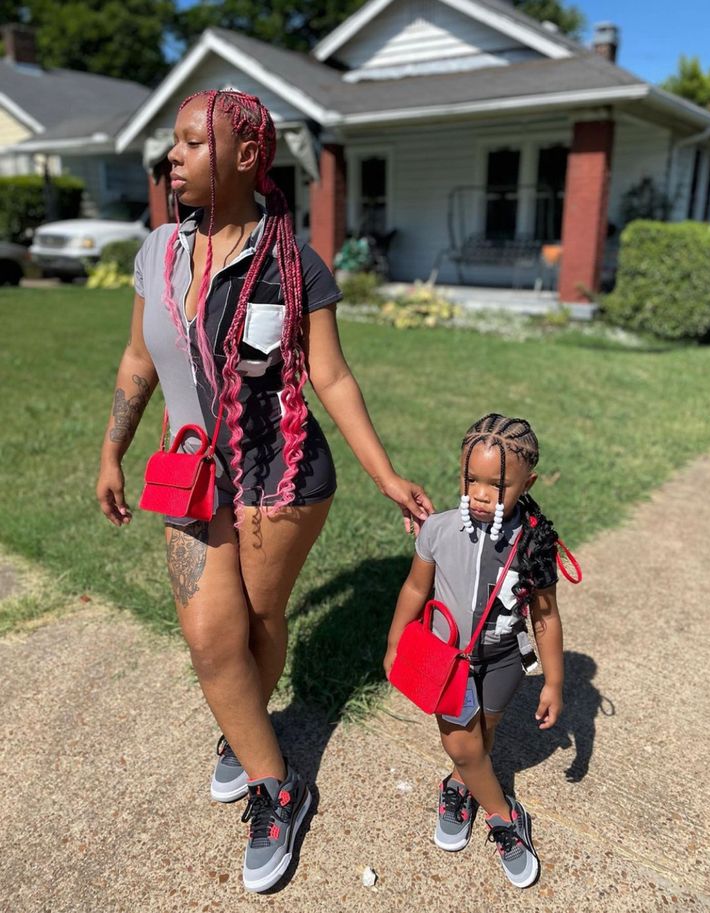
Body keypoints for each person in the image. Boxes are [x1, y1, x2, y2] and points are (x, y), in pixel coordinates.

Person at [95, 89, 432, 894]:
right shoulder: (158, 255)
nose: (171, 157)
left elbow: (332, 375)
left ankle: (246, 737)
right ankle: (279, 782)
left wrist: (387, 474)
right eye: (170, 144)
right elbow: (139, 363)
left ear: (248, 157)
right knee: (213, 638)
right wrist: (112, 449)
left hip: (280, 479)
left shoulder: (295, 265)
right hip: (190, 473)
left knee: (259, 619)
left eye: (190, 142)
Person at [384, 413, 565, 890]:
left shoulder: (534, 543)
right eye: (471, 479)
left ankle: (459, 786)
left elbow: (545, 616)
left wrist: (553, 680)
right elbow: (412, 589)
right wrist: (395, 641)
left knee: (480, 741)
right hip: (446, 662)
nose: (481, 493)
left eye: (497, 484)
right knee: (462, 744)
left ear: (528, 482)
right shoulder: (439, 530)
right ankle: (506, 818)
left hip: (505, 660)